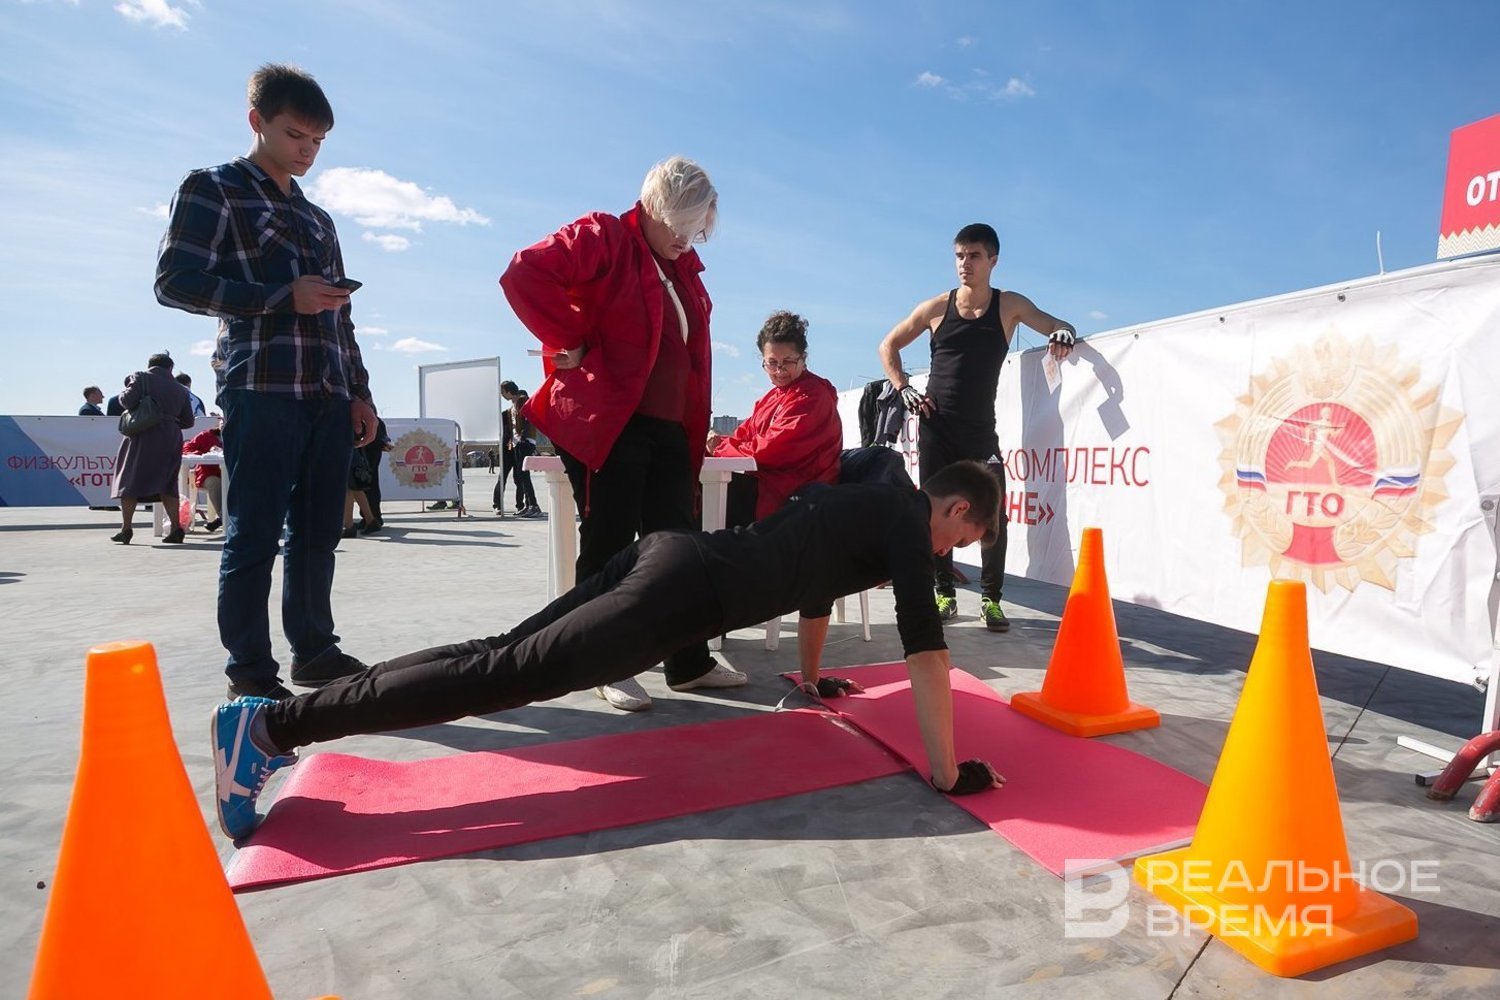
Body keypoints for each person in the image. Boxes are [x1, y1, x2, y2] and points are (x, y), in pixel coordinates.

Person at [212, 461, 1008, 839]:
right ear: (957, 507)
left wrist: (807, 678)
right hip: (676, 597)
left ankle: (274, 720)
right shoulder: (907, 521)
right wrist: (944, 773)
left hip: (672, 555)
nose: (946, 552)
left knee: (498, 651)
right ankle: (273, 730)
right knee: (500, 676)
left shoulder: (874, 494)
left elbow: (815, 583)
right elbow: (927, 654)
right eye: (960, 538)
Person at [155, 63, 378, 701]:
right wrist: (283, 296)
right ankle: (249, 672)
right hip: (261, 389)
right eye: (294, 135)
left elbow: (341, 313)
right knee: (252, 532)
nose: (307, 151)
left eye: (318, 142)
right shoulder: (213, 189)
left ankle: (315, 651)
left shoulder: (320, 220)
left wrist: (358, 391)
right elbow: (175, 283)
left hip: (328, 393)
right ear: (256, 121)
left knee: (318, 533)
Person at [500, 156, 745, 712]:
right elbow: (524, 272)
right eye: (680, 227)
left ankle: (687, 661)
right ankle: (602, 663)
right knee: (610, 541)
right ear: (655, 209)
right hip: (612, 419)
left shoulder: (682, 267)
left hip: (665, 426)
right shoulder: (603, 235)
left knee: (678, 546)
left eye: (698, 228)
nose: (689, 240)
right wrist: (570, 335)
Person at [878, 223, 1076, 633]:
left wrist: (1063, 334)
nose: (965, 264)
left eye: (974, 256)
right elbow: (888, 345)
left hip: (980, 432)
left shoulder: (1009, 306)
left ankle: (991, 600)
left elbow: (1060, 325)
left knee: (993, 515)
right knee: (932, 512)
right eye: (959, 256)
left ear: (993, 261)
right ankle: (944, 592)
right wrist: (903, 388)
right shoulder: (935, 308)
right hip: (936, 427)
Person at [707, 310, 842, 528]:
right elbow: (743, 435)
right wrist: (715, 444)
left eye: (787, 362)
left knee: (697, 491)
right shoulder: (771, 398)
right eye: (772, 363)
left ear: (803, 358)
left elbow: (769, 450)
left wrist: (718, 448)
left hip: (792, 498)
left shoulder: (813, 397)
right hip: (768, 488)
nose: (779, 371)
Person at [109, 353, 196, 544]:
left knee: (129, 480)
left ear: (150, 365)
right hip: (171, 437)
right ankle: (175, 528)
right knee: (167, 482)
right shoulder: (180, 389)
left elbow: (126, 402)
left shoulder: (140, 377)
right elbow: (189, 421)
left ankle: (126, 529)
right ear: (170, 369)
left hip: (142, 434)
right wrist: (169, 421)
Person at [502, 380, 541, 517]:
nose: (502, 396)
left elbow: (527, 417)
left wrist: (523, 436)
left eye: (503, 392)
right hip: (518, 443)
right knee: (520, 475)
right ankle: (528, 504)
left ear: (508, 391)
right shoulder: (512, 406)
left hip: (525, 441)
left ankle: (534, 505)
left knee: (524, 474)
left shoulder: (522, 400)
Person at [183, 414, 226, 532]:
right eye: (223, 424)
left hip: (232, 474)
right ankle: (224, 517)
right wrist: (202, 453)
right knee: (214, 483)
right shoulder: (205, 435)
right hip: (208, 474)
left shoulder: (238, 436)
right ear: (218, 424)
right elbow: (187, 448)